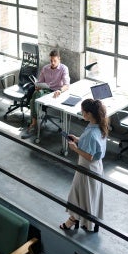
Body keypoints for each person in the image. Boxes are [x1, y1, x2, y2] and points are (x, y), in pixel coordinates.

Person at [60, 99, 108, 232]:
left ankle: (72, 220)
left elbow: (89, 156)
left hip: (86, 167)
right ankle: (88, 222)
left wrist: (75, 148)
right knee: (90, 195)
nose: (81, 113)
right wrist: (78, 139)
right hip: (97, 167)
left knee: (77, 194)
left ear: (88, 114)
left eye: (82, 111)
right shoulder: (98, 126)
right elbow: (92, 147)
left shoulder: (91, 133)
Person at [21, 49, 70, 139]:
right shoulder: (45, 68)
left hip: (56, 92)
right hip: (45, 90)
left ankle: (34, 122)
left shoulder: (64, 68)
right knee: (35, 94)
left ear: (59, 59)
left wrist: (60, 90)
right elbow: (40, 82)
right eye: (51, 60)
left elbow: (67, 85)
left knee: (33, 99)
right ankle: (35, 121)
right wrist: (38, 86)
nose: (52, 63)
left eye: (55, 61)